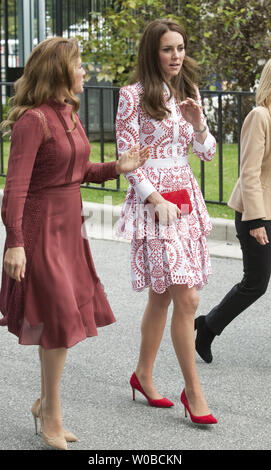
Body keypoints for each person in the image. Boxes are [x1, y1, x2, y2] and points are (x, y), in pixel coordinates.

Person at [0, 36, 149, 450]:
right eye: (80, 64)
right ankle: (51, 413)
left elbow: (79, 169)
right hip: (39, 229)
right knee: (59, 321)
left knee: (63, 321)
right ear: (60, 71)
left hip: (69, 228)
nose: (85, 70)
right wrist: (15, 242)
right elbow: (15, 189)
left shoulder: (69, 114)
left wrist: (118, 167)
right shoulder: (35, 120)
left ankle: (46, 404)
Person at [115, 19, 217, 424]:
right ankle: (194, 393)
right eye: (167, 49)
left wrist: (199, 124)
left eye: (180, 48)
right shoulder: (132, 96)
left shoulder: (186, 92)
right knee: (187, 298)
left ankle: (142, 373)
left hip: (186, 199)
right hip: (155, 203)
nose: (176, 56)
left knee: (163, 295)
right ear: (152, 52)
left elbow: (207, 152)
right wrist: (153, 198)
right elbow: (127, 158)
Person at [195, 58, 271, 364]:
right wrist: (255, 220)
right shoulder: (260, 116)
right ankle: (208, 326)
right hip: (258, 214)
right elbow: (249, 172)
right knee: (256, 284)